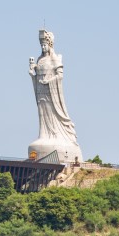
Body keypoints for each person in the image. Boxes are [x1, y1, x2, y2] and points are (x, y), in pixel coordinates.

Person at [28, 29, 81, 162]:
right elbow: (37, 76)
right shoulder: (40, 60)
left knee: (52, 114)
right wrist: (32, 74)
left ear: (50, 45)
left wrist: (48, 81)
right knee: (42, 114)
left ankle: (56, 135)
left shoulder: (54, 58)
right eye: (41, 45)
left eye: (45, 44)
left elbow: (60, 76)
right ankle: (44, 135)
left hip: (52, 93)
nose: (43, 47)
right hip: (41, 92)